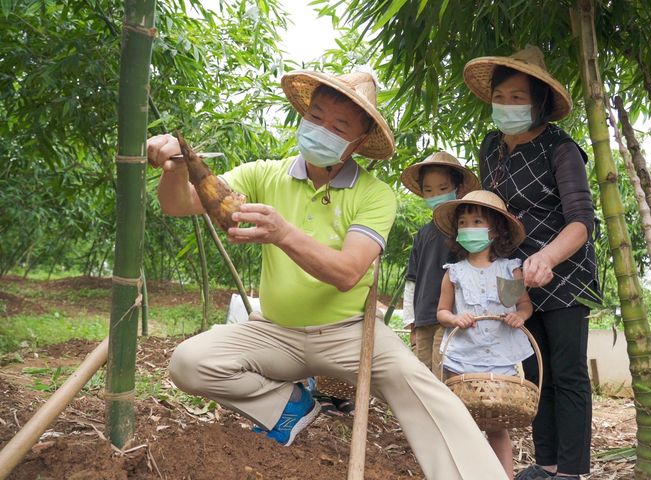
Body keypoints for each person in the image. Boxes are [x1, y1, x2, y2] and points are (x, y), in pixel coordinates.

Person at [147, 69, 507, 479]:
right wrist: (175, 170)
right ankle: (287, 407)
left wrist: (283, 233)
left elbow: (347, 273)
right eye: (316, 117)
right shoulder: (267, 173)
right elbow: (182, 204)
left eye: (338, 126)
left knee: (427, 394)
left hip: (349, 334)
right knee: (189, 363)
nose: (322, 129)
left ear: (357, 142)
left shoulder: (375, 194)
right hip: (273, 331)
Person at [463, 45, 598, 480]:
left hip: (563, 273)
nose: (507, 106)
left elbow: (581, 222)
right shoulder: (491, 147)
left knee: (567, 373)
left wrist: (545, 257)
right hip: (510, 274)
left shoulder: (561, 149)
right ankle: (547, 463)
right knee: (531, 369)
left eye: (517, 97)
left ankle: (572, 472)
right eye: (500, 97)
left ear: (539, 102)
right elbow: (489, 211)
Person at [433, 189, 534, 479]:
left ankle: (505, 475)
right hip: (462, 360)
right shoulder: (454, 273)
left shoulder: (508, 271)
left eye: (477, 222)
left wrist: (519, 316)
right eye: (463, 223)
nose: (468, 228)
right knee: (460, 423)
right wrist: (455, 318)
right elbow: (441, 312)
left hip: (498, 361)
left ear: (495, 230)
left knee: (496, 425)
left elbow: (524, 305)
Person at [400, 151, 479, 376]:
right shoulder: (423, 233)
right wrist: (411, 322)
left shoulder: (465, 231)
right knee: (423, 373)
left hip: (453, 317)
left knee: (445, 373)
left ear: (458, 188)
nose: (436, 194)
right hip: (424, 317)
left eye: (443, 189)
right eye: (429, 190)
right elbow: (412, 279)